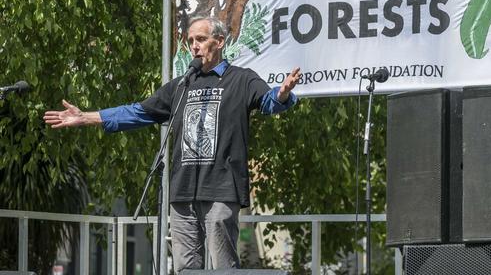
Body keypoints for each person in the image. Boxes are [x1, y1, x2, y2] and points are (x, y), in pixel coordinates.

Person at [44, 16, 301, 273]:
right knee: (184, 268)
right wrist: (86, 117)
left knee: (224, 268)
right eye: (190, 41)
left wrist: (283, 93)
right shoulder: (181, 85)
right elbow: (137, 112)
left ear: (220, 41)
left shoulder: (241, 79)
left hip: (221, 190)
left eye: (200, 39)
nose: (194, 46)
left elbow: (269, 101)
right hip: (183, 191)